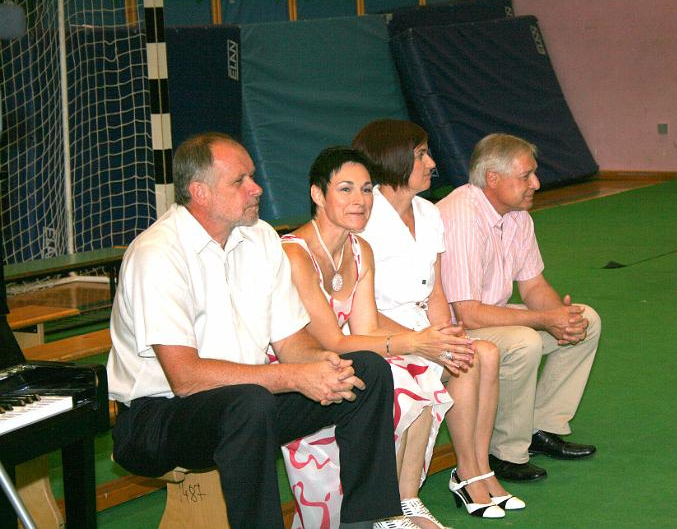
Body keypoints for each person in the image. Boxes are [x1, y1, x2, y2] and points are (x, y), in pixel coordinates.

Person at [106, 133, 401, 529]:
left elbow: (291, 339)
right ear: (200, 192)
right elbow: (185, 377)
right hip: (157, 418)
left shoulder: (260, 236)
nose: (256, 188)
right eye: (240, 181)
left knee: (366, 371)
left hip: (245, 402)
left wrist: (324, 364)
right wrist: (293, 377)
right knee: (249, 403)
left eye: (253, 176)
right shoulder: (157, 254)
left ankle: (363, 523)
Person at [279, 146, 470, 529]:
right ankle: (383, 511)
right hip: (304, 368)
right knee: (401, 380)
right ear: (318, 194)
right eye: (345, 189)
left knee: (421, 371)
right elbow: (332, 341)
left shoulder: (359, 249)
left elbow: (365, 329)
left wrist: (428, 343)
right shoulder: (295, 253)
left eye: (367, 189)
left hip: (346, 357)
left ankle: (403, 500)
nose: (360, 200)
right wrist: (414, 341)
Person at [353, 120, 522, 519]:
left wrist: (446, 334)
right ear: (393, 159)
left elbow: (436, 290)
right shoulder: (364, 217)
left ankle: (474, 469)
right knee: (453, 360)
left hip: (424, 327)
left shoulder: (428, 212)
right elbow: (360, 307)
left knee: (482, 354)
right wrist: (429, 341)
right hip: (382, 332)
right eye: (421, 155)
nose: (432, 163)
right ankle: (406, 494)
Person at [436, 133, 601, 482]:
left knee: (586, 321)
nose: (536, 184)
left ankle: (541, 427)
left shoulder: (516, 215)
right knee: (522, 341)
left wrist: (561, 318)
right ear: (492, 178)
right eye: (526, 176)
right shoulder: (461, 217)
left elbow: (534, 285)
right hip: (451, 331)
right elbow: (468, 314)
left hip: (487, 317)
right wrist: (544, 320)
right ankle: (503, 453)